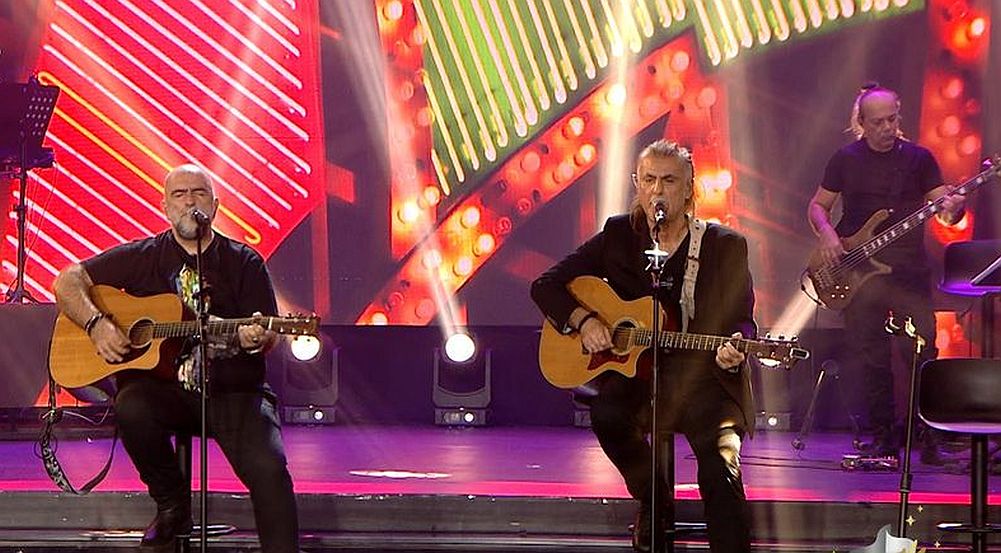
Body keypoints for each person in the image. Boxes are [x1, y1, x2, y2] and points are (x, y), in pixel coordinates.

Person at [53, 164, 300, 552]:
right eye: (179, 195)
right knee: (131, 405)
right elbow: (67, 280)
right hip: (166, 393)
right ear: (165, 206)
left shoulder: (244, 262)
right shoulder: (143, 256)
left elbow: (267, 334)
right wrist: (97, 324)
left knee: (269, 469)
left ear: (215, 206)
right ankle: (172, 504)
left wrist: (256, 339)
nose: (189, 202)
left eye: (199, 193)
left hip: (233, 393)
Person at [531, 139, 756, 552]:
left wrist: (736, 346)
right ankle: (655, 501)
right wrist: (584, 320)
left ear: (688, 188)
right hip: (638, 378)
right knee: (608, 415)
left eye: (669, 181)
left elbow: (743, 319)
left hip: (705, 381)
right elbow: (545, 285)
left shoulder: (724, 245)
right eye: (649, 180)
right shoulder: (619, 234)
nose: (657, 191)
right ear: (637, 184)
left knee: (721, 464)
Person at [807, 84, 965, 462]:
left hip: (908, 271)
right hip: (859, 273)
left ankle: (927, 437)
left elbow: (945, 211)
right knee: (872, 357)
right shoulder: (845, 159)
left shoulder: (919, 159)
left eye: (892, 120)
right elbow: (817, 206)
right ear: (861, 123)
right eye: (877, 122)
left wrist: (954, 208)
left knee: (922, 352)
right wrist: (828, 234)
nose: (887, 128)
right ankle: (883, 438)